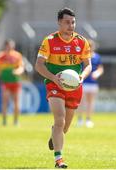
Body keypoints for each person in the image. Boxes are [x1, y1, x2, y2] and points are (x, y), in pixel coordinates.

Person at [35, 8, 92, 168]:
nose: (71, 25)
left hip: (74, 87)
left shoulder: (81, 41)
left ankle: (55, 135)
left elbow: (88, 65)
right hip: (54, 84)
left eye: (73, 22)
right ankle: (59, 159)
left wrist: (81, 77)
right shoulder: (50, 40)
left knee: (65, 127)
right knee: (59, 119)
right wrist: (53, 78)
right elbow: (38, 65)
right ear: (59, 22)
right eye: (67, 22)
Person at [0, 39, 24, 126]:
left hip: (15, 81)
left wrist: (18, 71)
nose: (10, 47)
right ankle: (4, 121)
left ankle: (16, 121)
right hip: (5, 82)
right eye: (8, 45)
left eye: (11, 45)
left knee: (16, 102)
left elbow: (21, 67)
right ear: (5, 46)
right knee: (5, 101)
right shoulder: (1, 56)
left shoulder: (17, 55)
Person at [77, 39, 104, 128]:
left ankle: (88, 119)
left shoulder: (97, 57)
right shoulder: (82, 56)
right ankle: (80, 119)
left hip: (93, 83)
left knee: (91, 102)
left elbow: (100, 68)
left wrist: (97, 73)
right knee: (81, 102)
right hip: (83, 82)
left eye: (91, 46)